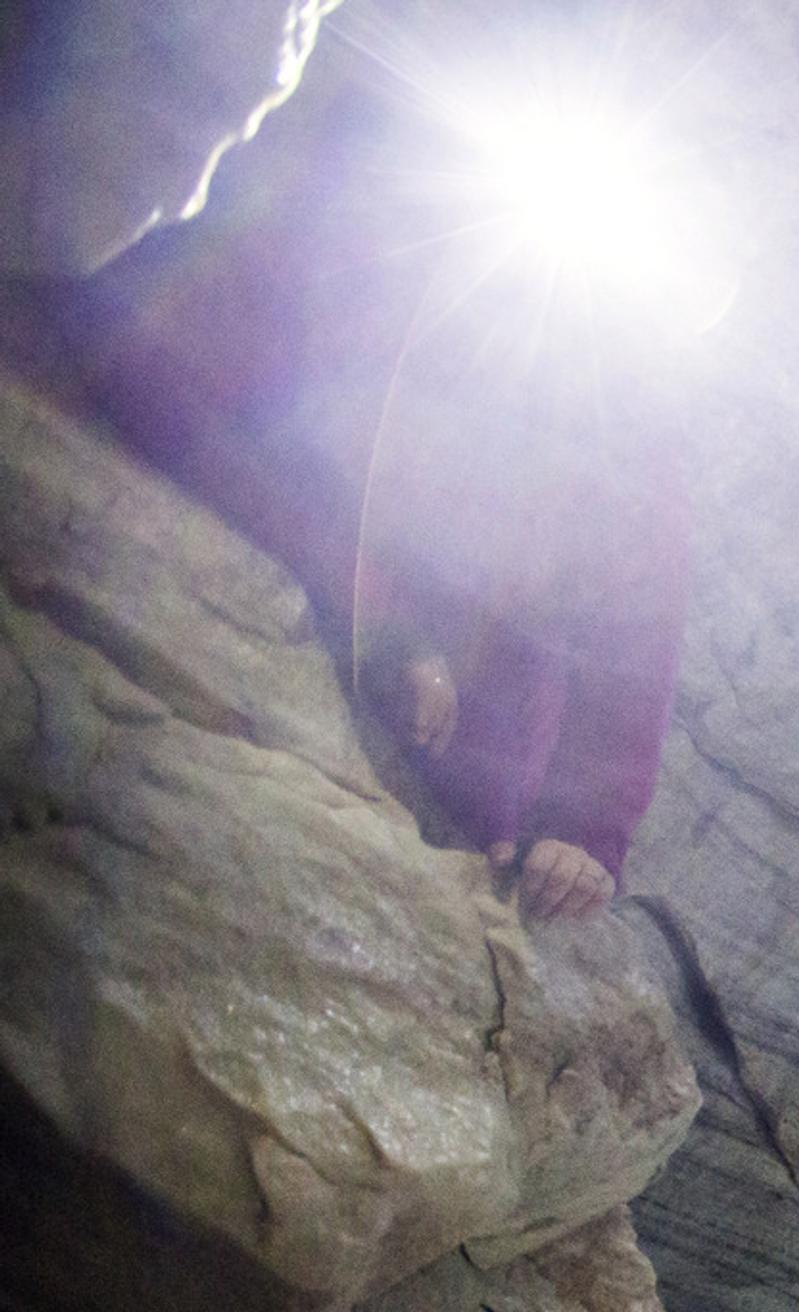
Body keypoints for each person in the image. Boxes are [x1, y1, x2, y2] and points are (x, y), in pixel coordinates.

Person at [44, 75, 692, 922]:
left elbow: (638, 613)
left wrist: (582, 830)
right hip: (272, 649)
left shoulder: (617, 377)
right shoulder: (342, 244)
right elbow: (175, 385)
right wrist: (384, 625)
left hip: (465, 783)